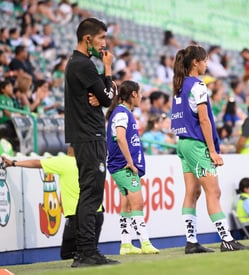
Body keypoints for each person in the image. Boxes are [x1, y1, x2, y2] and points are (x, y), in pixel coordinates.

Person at [170, 45, 249, 253]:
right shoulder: (197, 85)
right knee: (213, 191)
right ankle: (226, 239)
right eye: (205, 60)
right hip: (197, 145)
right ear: (195, 63)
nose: (207, 64)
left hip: (183, 143)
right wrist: (213, 151)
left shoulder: (180, 85)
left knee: (192, 192)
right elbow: (204, 119)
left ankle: (191, 242)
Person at [64, 17, 118, 267]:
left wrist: (103, 92)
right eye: (101, 39)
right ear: (88, 39)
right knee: (91, 194)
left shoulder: (77, 64)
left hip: (85, 136)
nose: (104, 45)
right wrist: (107, 71)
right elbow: (108, 98)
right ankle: (85, 252)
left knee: (90, 192)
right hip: (90, 135)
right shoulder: (83, 65)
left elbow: (104, 96)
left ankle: (85, 251)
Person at [1, 147, 104, 260]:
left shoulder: (64, 161)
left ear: (71, 149)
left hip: (78, 216)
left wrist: (14, 163)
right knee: (89, 253)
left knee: (68, 254)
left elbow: (36, 163)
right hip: (97, 213)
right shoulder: (92, 161)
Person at [106, 80, 159, 255]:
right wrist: (130, 162)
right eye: (141, 93)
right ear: (133, 94)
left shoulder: (123, 112)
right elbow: (120, 138)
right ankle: (145, 242)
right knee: (137, 203)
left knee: (127, 205)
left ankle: (126, 244)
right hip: (123, 165)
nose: (142, 97)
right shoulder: (122, 113)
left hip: (118, 165)